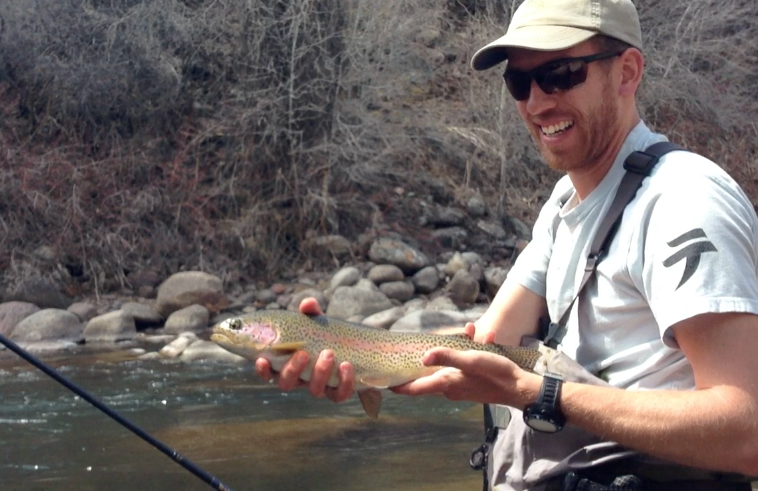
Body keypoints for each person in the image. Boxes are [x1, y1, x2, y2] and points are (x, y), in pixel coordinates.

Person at [256, 0, 758, 489]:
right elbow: (482, 349)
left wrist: (537, 394)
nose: (538, 103)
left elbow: (747, 429)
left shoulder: (684, 200)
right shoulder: (565, 203)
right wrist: (349, 356)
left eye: (562, 73)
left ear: (627, 72)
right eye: (520, 82)